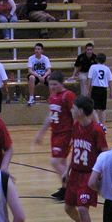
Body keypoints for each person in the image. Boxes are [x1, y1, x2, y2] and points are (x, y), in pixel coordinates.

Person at [63, 95, 108, 222]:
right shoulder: (76, 125)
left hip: (89, 175)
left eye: (74, 108)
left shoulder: (96, 130)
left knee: (82, 209)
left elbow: (105, 153)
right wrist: (67, 170)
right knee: (68, 208)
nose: (71, 110)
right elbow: (76, 150)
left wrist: (101, 176)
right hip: (75, 173)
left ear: (81, 111)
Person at [34, 71, 76, 200]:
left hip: (66, 133)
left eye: (55, 84)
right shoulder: (52, 97)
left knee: (55, 162)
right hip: (55, 133)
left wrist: (76, 134)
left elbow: (75, 115)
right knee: (62, 161)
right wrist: (41, 132)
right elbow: (50, 116)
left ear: (61, 83)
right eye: (50, 84)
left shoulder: (68, 95)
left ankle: (72, 187)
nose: (52, 87)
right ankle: (65, 188)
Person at [87, 53, 112, 125]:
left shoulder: (93, 67)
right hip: (103, 90)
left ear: (96, 59)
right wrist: (111, 92)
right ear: (105, 60)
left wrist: (88, 91)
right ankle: (103, 125)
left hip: (95, 89)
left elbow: (89, 79)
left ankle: (96, 124)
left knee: (94, 108)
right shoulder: (107, 68)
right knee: (103, 109)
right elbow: (110, 80)